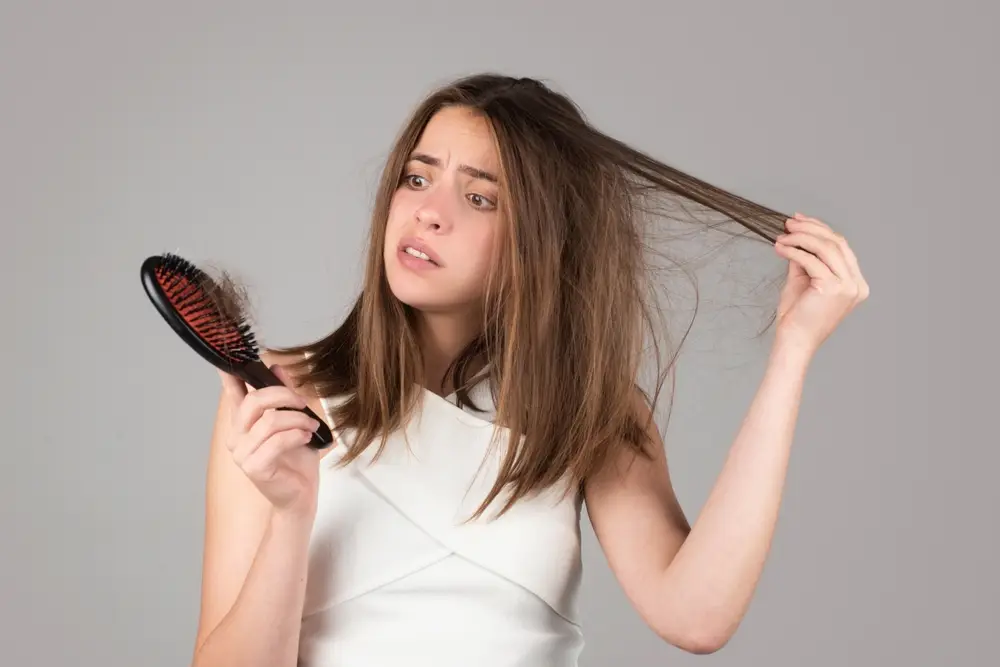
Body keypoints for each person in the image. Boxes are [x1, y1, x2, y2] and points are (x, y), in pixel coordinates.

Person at [189, 73, 869, 667]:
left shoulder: (589, 413)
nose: (429, 210)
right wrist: (290, 513)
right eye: (417, 177)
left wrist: (793, 350)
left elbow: (697, 615)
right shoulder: (279, 396)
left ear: (540, 241)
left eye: (480, 197)